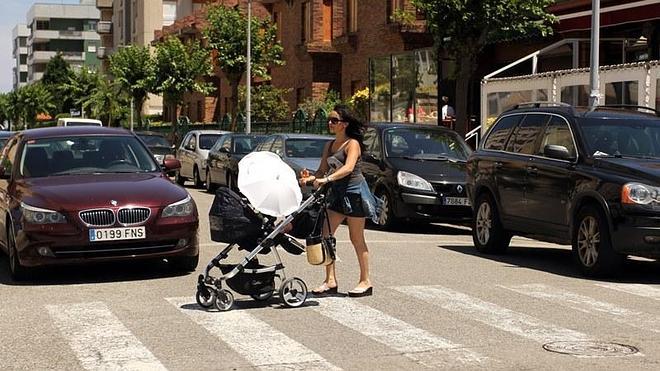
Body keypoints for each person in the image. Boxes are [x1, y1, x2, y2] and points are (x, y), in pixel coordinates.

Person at [299, 104, 379, 298]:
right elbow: (321, 170)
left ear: (344, 124)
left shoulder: (352, 144)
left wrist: (326, 179)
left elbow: (349, 168)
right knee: (325, 235)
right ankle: (330, 280)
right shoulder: (330, 145)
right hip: (337, 194)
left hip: (354, 193)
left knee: (356, 238)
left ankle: (365, 281)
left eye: (334, 120)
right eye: (329, 119)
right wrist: (309, 178)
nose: (330, 123)